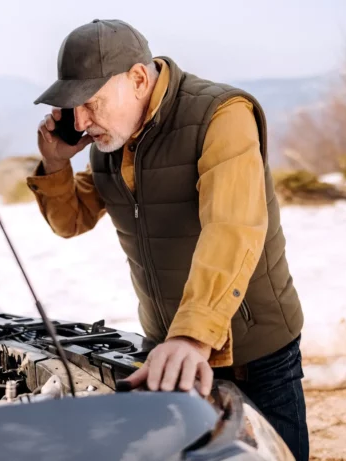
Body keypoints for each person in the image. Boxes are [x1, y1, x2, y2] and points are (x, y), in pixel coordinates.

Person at [27, 19, 309, 460]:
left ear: (138, 79)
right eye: (72, 107)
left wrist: (193, 336)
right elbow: (71, 221)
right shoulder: (113, 138)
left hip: (253, 349)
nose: (80, 121)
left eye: (90, 103)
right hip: (169, 349)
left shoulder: (221, 114)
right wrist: (55, 164)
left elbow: (231, 228)